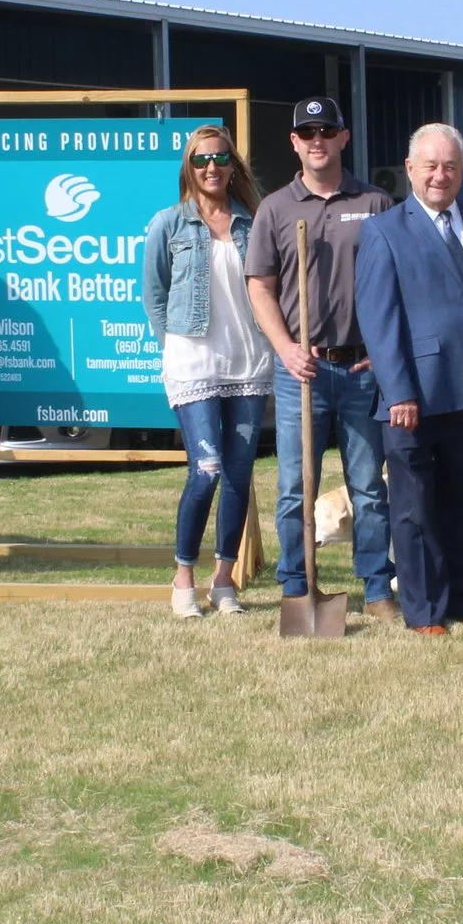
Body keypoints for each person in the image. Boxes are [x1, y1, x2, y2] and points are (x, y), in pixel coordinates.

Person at [356, 124, 463, 636]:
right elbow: (378, 319)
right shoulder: (384, 230)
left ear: (462, 171)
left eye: (449, 166)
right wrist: (399, 390)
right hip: (414, 398)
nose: (439, 175)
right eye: (429, 165)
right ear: (410, 170)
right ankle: (425, 611)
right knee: (415, 509)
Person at [244, 96, 398, 617]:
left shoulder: (375, 203)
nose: (317, 140)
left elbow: (395, 284)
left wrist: (380, 352)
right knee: (294, 486)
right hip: (301, 372)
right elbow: (260, 288)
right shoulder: (276, 209)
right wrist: (285, 348)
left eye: (326, 131)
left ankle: (377, 587)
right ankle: (296, 585)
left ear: (343, 137)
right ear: (294, 141)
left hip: (359, 368)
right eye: (307, 132)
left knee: (368, 488)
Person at [141, 124, 273, 618]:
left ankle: (225, 581)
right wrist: (172, 346)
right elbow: (154, 295)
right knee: (208, 469)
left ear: (233, 166)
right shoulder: (169, 224)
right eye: (201, 160)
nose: (211, 168)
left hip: (248, 359)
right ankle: (183, 578)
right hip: (193, 361)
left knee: (239, 472)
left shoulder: (254, 223)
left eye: (219, 159)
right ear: (188, 169)